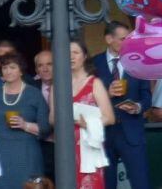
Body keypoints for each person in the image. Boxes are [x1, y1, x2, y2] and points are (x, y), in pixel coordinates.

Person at [49, 39, 114, 189]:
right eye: (67, 53)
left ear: (84, 56)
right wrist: (67, 118)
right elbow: (52, 119)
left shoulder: (95, 83)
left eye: (76, 52)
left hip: (88, 144)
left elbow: (109, 117)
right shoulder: (57, 85)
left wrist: (88, 123)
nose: (71, 56)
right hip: (66, 145)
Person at [93, 22, 151, 189]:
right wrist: (107, 94)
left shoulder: (137, 61)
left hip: (132, 132)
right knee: (106, 184)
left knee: (141, 183)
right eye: (123, 39)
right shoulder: (94, 64)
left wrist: (137, 107)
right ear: (109, 39)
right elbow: (86, 100)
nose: (127, 43)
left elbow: (147, 97)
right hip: (103, 135)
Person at [0, 52, 49, 189]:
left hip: (27, 154)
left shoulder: (34, 94)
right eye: (4, 68)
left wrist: (25, 125)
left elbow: (46, 128)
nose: (8, 71)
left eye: (12, 67)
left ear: (21, 71)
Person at [33, 50, 55, 181]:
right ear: (36, 69)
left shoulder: (70, 85)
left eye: (49, 64)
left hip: (66, 145)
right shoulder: (30, 88)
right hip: (41, 145)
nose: (45, 69)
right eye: (40, 65)